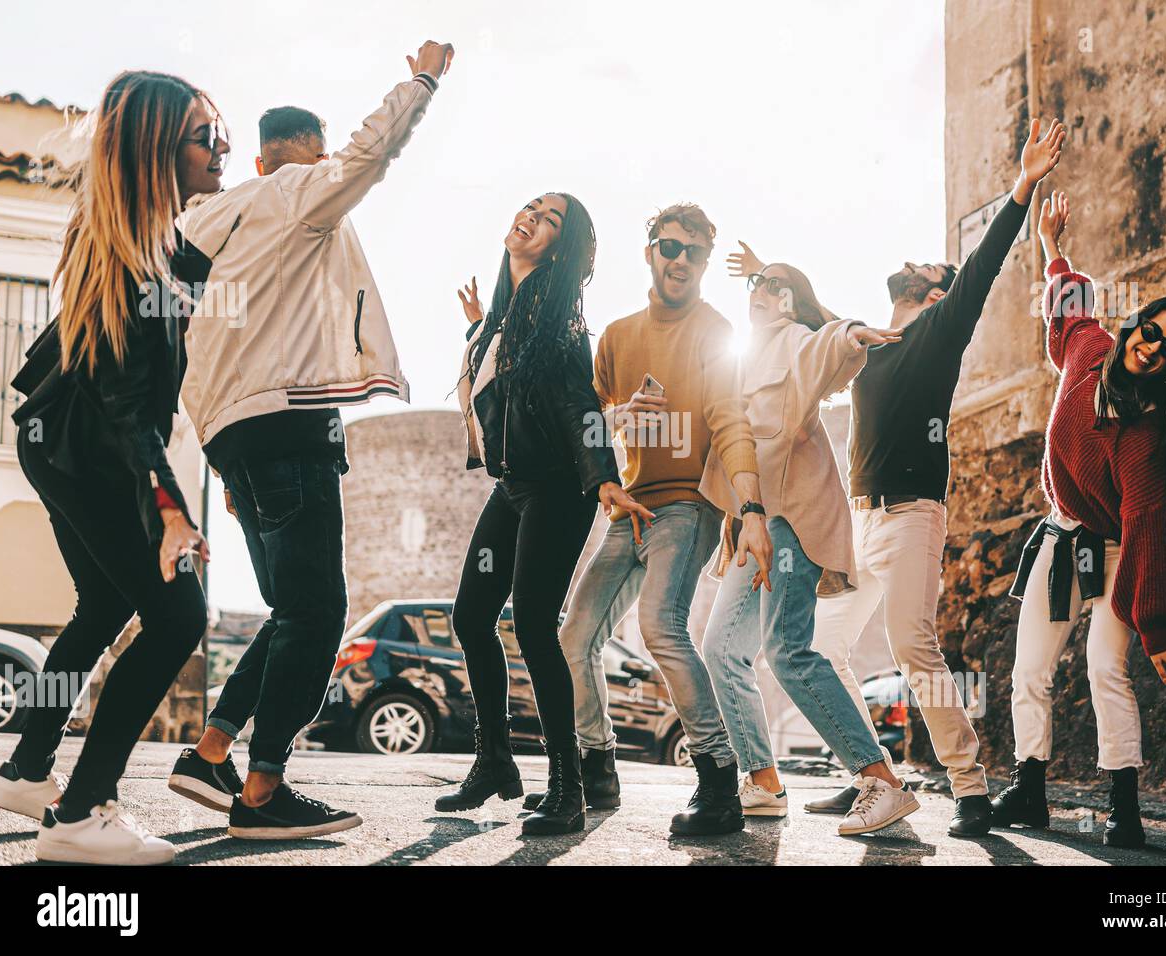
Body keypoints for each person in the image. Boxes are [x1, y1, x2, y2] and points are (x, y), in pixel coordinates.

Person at [737, 118, 1067, 836]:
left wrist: (1022, 187)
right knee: (823, 647)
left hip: (914, 512)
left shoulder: (940, 331)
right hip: (856, 519)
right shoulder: (871, 347)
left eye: (931, 268)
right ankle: (870, 775)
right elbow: (818, 319)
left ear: (938, 292)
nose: (917, 263)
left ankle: (969, 785)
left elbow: (979, 272)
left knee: (914, 645)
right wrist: (774, 276)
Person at [165, 40, 454, 840]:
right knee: (321, 610)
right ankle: (262, 793)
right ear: (300, 158)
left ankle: (211, 751)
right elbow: (373, 154)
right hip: (288, 421)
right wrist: (421, 81)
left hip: (233, 432)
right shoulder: (300, 191)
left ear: (252, 159)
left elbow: (187, 348)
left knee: (290, 609)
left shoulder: (205, 225)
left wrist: (222, 448)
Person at [0, 71, 226, 864]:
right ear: (158, 149)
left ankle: (27, 770)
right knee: (177, 618)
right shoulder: (131, 255)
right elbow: (129, 405)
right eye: (203, 135)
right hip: (82, 447)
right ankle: (79, 816)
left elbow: (156, 397)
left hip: (64, 441)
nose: (219, 147)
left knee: (100, 607)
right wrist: (168, 509)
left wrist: (178, 500)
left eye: (217, 132)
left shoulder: (162, 246)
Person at [524, 203, 773, 836]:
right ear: (650, 254)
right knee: (575, 635)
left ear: (706, 264)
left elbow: (732, 421)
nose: (680, 260)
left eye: (694, 252)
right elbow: (585, 420)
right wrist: (615, 419)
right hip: (627, 509)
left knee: (662, 627)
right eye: (669, 247)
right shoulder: (616, 335)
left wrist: (749, 508)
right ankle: (597, 765)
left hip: (687, 506)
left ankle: (719, 783)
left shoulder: (716, 332)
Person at [991, 191, 1166, 848]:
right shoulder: (1087, 349)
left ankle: (1123, 803)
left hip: (1115, 552)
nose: (1151, 347)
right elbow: (1069, 303)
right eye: (1149, 330)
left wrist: (1158, 628)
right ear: (1134, 326)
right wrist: (1050, 241)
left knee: (1103, 668)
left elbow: (1147, 531)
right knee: (1029, 669)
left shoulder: (1143, 440)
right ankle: (1028, 788)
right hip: (1062, 537)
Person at [434, 193, 651, 836]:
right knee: (472, 615)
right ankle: (496, 761)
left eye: (550, 219)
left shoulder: (558, 323)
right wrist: (479, 327)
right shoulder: (507, 318)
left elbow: (578, 403)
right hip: (514, 488)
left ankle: (568, 786)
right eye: (530, 206)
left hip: (557, 489)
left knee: (532, 623)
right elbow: (498, 393)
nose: (531, 217)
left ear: (560, 247)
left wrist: (603, 477)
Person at [700, 262, 919, 835]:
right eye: (756, 286)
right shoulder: (749, 354)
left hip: (794, 521)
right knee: (721, 648)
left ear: (794, 303)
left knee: (788, 651)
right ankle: (764, 782)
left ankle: (881, 783)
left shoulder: (797, 339)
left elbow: (828, 342)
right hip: (756, 523)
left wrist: (851, 332)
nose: (760, 293)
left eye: (776, 287)